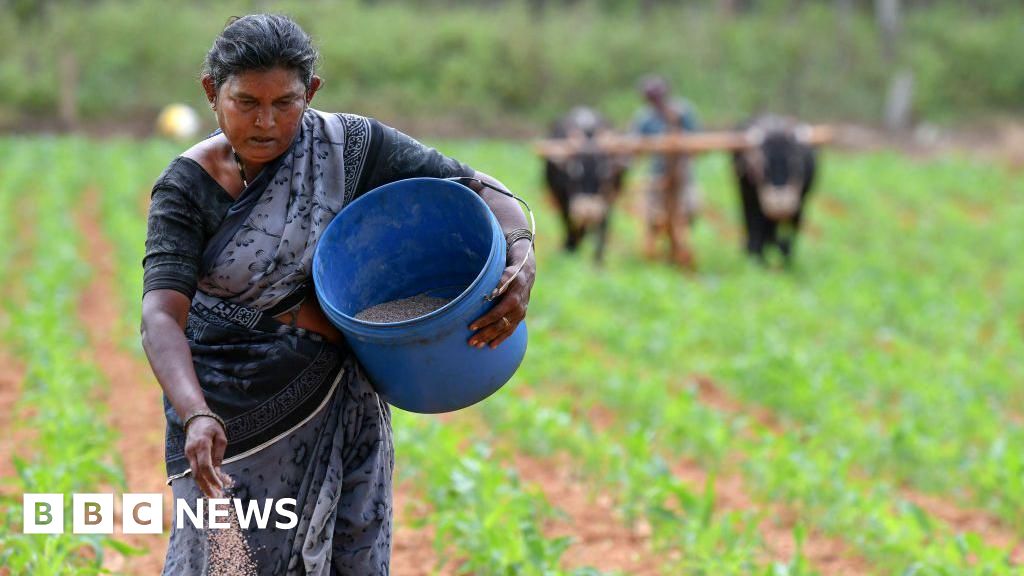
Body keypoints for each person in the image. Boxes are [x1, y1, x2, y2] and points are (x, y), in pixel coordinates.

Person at [140, 14, 535, 575]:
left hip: (341, 402)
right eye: (246, 102)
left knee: (352, 553)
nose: (266, 122)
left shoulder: (345, 146)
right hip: (226, 419)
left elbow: (481, 189)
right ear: (211, 92)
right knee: (227, 562)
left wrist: (521, 255)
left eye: (286, 102)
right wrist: (195, 413)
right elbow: (160, 314)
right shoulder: (186, 188)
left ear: (312, 93)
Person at [631, 75, 701, 265]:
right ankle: (655, 252)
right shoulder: (644, 117)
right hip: (657, 174)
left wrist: (679, 141)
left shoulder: (683, 111)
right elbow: (634, 144)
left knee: (688, 209)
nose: (655, 100)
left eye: (657, 95)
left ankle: (680, 248)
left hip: (683, 173)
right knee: (653, 215)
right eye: (651, 97)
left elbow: (697, 140)